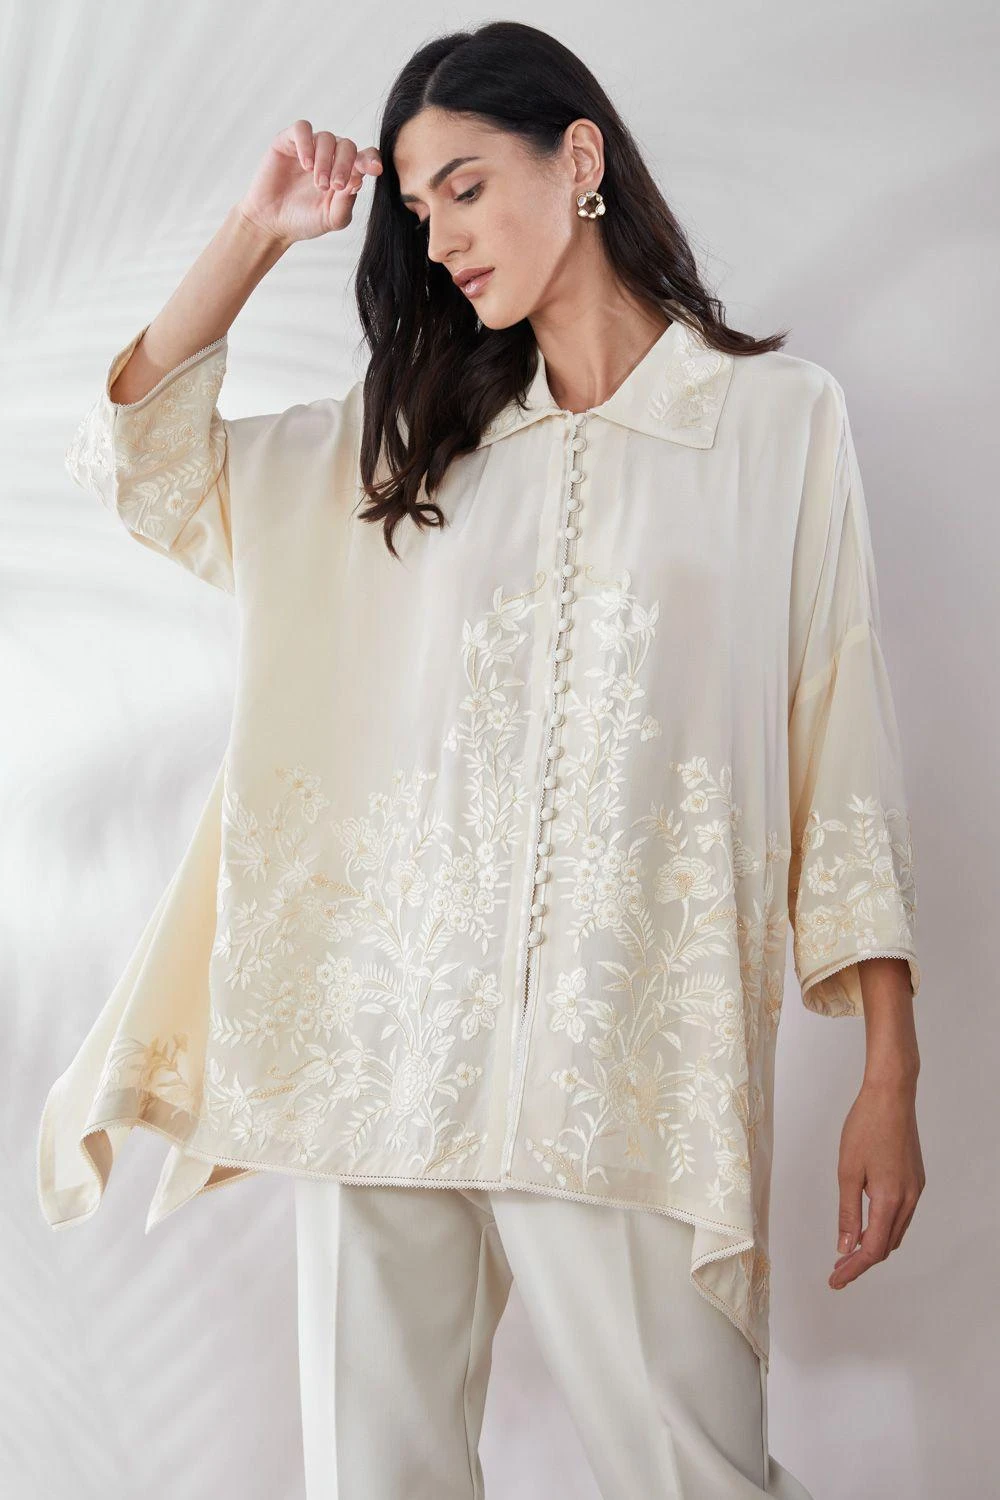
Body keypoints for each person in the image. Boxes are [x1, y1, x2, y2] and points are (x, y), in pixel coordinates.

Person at [39, 20, 925, 1499]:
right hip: (384, 1052)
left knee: (692, 1470)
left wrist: (890, 1067)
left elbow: (842, 744)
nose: (440, 237)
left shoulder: (774, 426)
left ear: (578, 158)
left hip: (625, 1060)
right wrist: (256, 232)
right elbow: (147, 465)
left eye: (465, 187)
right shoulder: (407, 444)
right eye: (417, 207)